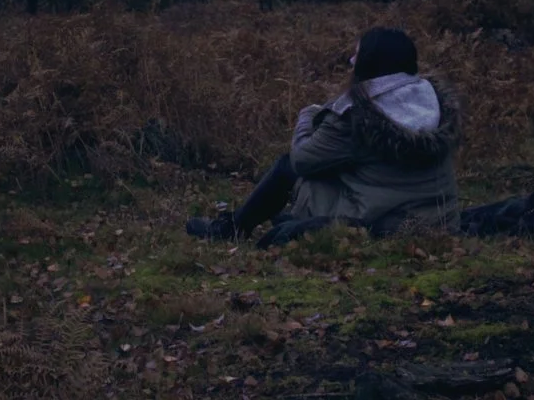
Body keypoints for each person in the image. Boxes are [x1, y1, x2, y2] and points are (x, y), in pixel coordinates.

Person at [186, 27, 459, 243]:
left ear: (368, 66)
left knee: (287, 167)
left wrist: (308, 115)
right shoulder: (431, 102)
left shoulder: (357, 118)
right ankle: (276, 219)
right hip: (437, 219)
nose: (351, 65)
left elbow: (301, 160)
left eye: (356, 58)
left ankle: (232, 229)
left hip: (384, 222)